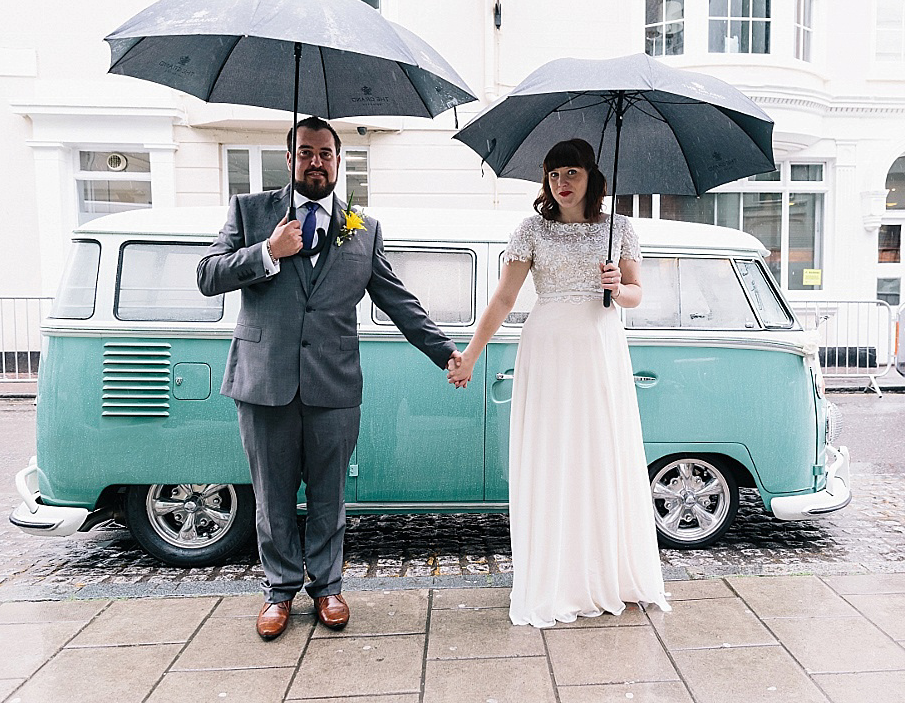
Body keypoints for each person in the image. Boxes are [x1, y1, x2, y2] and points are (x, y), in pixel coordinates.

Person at [197, 116, 461, 639]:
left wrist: (445, 350)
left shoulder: (361, 226)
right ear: (290, 157)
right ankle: (278, 592)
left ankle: (328, 587)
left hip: (333, 385)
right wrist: (268, 252)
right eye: (305, 151)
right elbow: (208, 274)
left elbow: (395, 297)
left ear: (339, 162)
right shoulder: (250, 212)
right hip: (264, 381)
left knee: (329, 493)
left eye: (325, 153)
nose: (315, 161)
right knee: (272, 495)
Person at [447, 138, 670, 627]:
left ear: (591, 176)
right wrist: (469, 354)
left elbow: (636, 294)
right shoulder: (531, 230)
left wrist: (618, 287)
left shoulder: (619, 229)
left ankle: (606, 571)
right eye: (553, 175)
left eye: (571, 173)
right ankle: (556, 578)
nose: (562, 184)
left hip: (599, 350)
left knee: (599, 454)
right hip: (547, 349)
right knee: (553, 458)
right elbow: (504, 300)